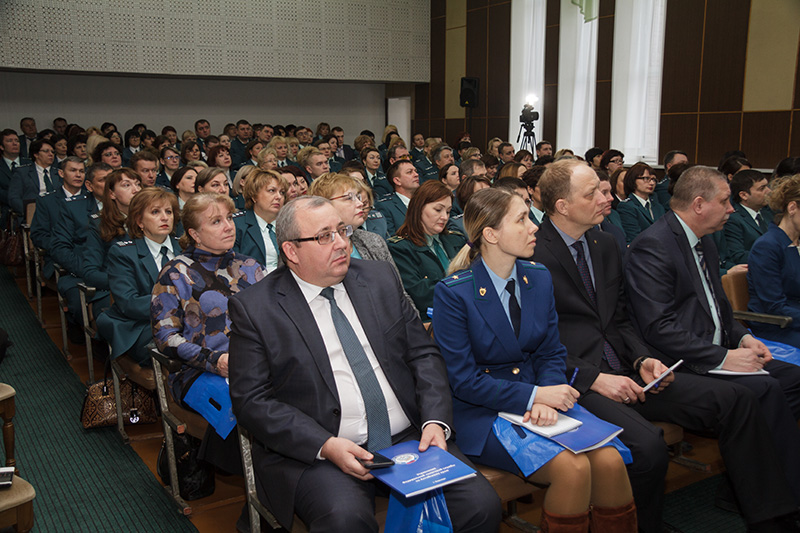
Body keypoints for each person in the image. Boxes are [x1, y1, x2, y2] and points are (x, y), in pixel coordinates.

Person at [531, 159, 799, 532]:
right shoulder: (532, 253)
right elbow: (536, 343)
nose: (605, 198)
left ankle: (771, 515)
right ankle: (646, 524)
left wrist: (643, 358)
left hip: (627, 367)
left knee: (737, 400)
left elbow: (621, 318)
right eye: (592, 193)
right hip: (579, 377)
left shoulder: (604, 242)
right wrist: (593, 378)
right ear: (562, 206)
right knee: (650, 446)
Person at [227, 195, 500, 532]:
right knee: (347, 521)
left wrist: (435, 421)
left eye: (342, 230)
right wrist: (325, 446)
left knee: (481, 506)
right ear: (291, 251)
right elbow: (251, 400)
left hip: (409, 437)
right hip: (323, 450)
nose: (342, 243)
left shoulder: (379, 278)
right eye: (325, 236)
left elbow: (423, 355)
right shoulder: (256, 308)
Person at [433, 187, 636, 532]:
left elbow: (551, 350)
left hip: (543, 400)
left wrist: (549, 388)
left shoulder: (537, 278)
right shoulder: (455, 293)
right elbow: (464, 380)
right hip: (485, 411)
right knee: (572, 470)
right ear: (491, 234)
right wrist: (534, 396)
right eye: (522, 219)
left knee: (611, 461)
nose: (534, 227)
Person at [625, 165, 800, 506]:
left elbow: (721, 311)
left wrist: (743, 339)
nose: (732, 209)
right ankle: (778, 499)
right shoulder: (654, 246)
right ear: (700, 204)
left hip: (716, 351)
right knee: (762, 389)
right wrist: (723, 357)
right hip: (682, 363)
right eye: (726, 201)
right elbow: (658, 327)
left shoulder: (704, 241)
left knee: (792, 378)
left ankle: (746, 482)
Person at [151, 192, 266, 483]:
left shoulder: (249, 268)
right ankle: (260, 490)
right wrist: (216, 361)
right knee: (250, 405)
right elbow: (166, 337)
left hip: (254, 365)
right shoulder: (175, 274)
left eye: (229, 218)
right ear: (194, 234)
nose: (229, 226)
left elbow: (274, 321)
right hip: (197, 371)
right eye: (216, 221)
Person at [96, 187, 181, 366]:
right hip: (141, 326)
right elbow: (129, 303)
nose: (165, 217)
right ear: (139, 221)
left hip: (186, 323)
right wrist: (179, 305)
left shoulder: (187, 248)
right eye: (155, 212)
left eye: (169, 212)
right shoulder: (123, 253)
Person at [388, 180, 465, 320]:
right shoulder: (399, 248)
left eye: (448, 211)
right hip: (433, 321)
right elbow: (419, 294)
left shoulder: (457, 240)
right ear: (419, 207)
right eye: (438, 210)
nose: (445, 217)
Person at [747, 175, 800, 347]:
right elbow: (774, 306)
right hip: (776, 325)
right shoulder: (767, 246)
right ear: (792, 208)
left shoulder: (795, 243)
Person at [82, 169, 142, 292]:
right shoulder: (99, 224)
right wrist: (125, 282)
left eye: (138, 184)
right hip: (114, 292)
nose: (136, 190)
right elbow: (90, 273)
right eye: (127, 185)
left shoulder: (152, 220)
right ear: (112, 194)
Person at [232, 169, 287, 273]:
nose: (279, 197)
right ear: (254, 196)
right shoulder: (236, 225)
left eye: (282, 192)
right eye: (272, 191)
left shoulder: (288, 224)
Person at [724, 169, 771, 264]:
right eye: (762, 188)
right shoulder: (733, 219)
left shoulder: (769, 215)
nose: (769, 191)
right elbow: (738, 256)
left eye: (767, 186)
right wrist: (774, 256)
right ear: (744, 195)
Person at [616, 163, 664, 244]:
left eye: (654, 179)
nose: (651, 183)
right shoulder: (627, 206)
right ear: (633, 180)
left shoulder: (658, 207)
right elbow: (634, 237)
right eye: (646, 178)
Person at [375, 160, 420, 236]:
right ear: (397, 181)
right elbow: (392, 240)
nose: (416, 174)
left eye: (415, 171)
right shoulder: (386, 207)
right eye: (409, 172)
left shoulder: (424, 201)